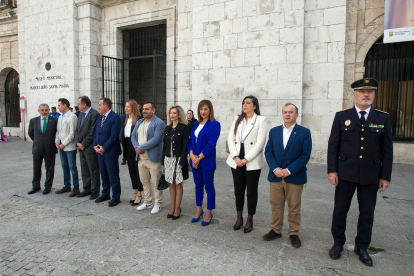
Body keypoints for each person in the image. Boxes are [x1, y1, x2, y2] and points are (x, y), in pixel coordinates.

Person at [327, 78, 393, 267]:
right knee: (340, 210)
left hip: (370, 175)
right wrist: (332, 170)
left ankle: (362, 247)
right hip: (345, 173)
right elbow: (334, 146)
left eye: (370, 92)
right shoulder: (342, 116)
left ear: (374, 94)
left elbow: (387, 150)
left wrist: (385, 176)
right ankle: (338, 243)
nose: (366, 95)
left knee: (367, 213)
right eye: (362, 92)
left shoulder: (382, 118)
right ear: (354, 94)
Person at [263, 103, 312, 248]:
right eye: (285, 112)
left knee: (294, 206)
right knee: (276, 205)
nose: (287, 114)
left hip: (294, 177)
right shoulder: (274, 131)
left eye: (291, 112)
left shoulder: (304, 132)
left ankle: (293, 232)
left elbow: (305, 155)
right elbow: (268, 151)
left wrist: (289, 170)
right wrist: (276, 169)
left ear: (297, 115)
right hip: (276, 176)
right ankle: (276, 230)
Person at [226, 96, 267, 233]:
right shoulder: (238, 118)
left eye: (248, 103)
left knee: (251, 191)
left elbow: (260, 143)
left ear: (254, 106)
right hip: (236, 159)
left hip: (252, 160)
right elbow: (230, 139)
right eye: (243, 103)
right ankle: (239, 217)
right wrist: (235, 157)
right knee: (238, 190)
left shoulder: (261, 120)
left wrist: (246, 159)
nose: (245, 105)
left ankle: (250, 218)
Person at [188, 100, 221, 226]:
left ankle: (209, 212)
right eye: (201, 109)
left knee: (208, 187)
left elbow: (211, 145)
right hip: (195, 160)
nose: (203, 111)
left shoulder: (215, 124)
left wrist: (198, 158)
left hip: (206, 160)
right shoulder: (196, 124)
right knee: (198, 186)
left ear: (210, 110)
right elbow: (190, 141)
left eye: (206, 109)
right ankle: (198, 210)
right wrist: (192, 156)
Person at [131, 102, 165, 214]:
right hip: (141, 158)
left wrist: (141, 147)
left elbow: (156, 139)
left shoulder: (159, 123)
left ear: (153, 110)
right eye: (143, 109)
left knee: (156, 182)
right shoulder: (140, 121)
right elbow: (133, 135)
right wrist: (137, 147)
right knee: (144, 181)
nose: (144, 111)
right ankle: (148, 201)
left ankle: (158, 203)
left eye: (147, 109)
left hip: (153, 159)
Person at [93, 98, 122, 207]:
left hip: (110, 152)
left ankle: (116, 196)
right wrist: (95, 146)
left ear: (106, 106)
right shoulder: (100, 117)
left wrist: (104, 148)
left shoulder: (115, 118)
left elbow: (114, 136)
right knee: (104, 174)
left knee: (112, 175)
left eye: (100, 105)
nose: (98, 107)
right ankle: (105, 194)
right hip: (99, 151)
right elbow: (96, 133)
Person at [162, 105, 189, 220]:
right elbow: (164, 145)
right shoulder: (167, 128)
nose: (172, 115)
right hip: (168, 159)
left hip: (178, 159)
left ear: (179, 115)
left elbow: (185, 146)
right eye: (170, 113)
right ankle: (172, 207)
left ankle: (178, 208)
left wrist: (182, 161)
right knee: (171, 183)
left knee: (178, 183)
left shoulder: (184, 128)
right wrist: (163, 160)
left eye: (174, 113)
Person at [27, 104, 58, 195]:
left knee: (49, 169)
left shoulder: (55, 121)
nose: (44, 112)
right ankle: (35, 186)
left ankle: (48, 187)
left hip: (50, 148)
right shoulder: (33, 121)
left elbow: (58, 133)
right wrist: (38, 142)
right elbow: (30, 133)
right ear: (39, 111)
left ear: (49, 110)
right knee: (36, 168)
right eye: (42, 110)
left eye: (46, 110)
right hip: (37, 148)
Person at [75, 96, 101, 200]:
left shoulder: (94, 114)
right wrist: (78, 142)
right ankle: (86, 189)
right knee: (84, 169)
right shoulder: (80, 114)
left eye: (79, 104)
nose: (77, 106)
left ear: (84, 105)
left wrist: (83, 144)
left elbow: (92, 132)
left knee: (93, 169)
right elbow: (77, 130)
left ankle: (95, 190)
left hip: (89, 147)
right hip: (81, 147)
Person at [55, 98, 80, 197]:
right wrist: (57, 141)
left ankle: (76, 187)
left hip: (69, 147)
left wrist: (63, 144)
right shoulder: (60, 117)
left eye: (59, 105)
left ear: (65, 105)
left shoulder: (72, 116)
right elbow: (58, 131)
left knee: (72, 167)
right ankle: (67, 185)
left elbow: (72, 133)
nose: (58, 107)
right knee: (64, 166)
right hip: (61, 147)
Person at [122, 99, 144, 206]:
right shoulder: (126, 119)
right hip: (127, 146)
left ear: (133, 108)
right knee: (131, 170)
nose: (126, 108)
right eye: (125, 106)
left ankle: (140, 193)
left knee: (137, 171)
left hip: (135, 147)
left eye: (128, 107)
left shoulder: (139, 120)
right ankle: (134, 191)